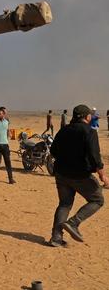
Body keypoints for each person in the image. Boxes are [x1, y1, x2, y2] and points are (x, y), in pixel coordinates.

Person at [47, 104, 107, 247]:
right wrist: (102, 176)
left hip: (61, 174)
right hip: (80, 175)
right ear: (87, 117)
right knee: (97, 200)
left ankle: (55, 238)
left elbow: (53, 151)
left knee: (64, 204)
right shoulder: (90, 132)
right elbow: (95, 156)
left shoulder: (63, 131)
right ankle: (73, 223)